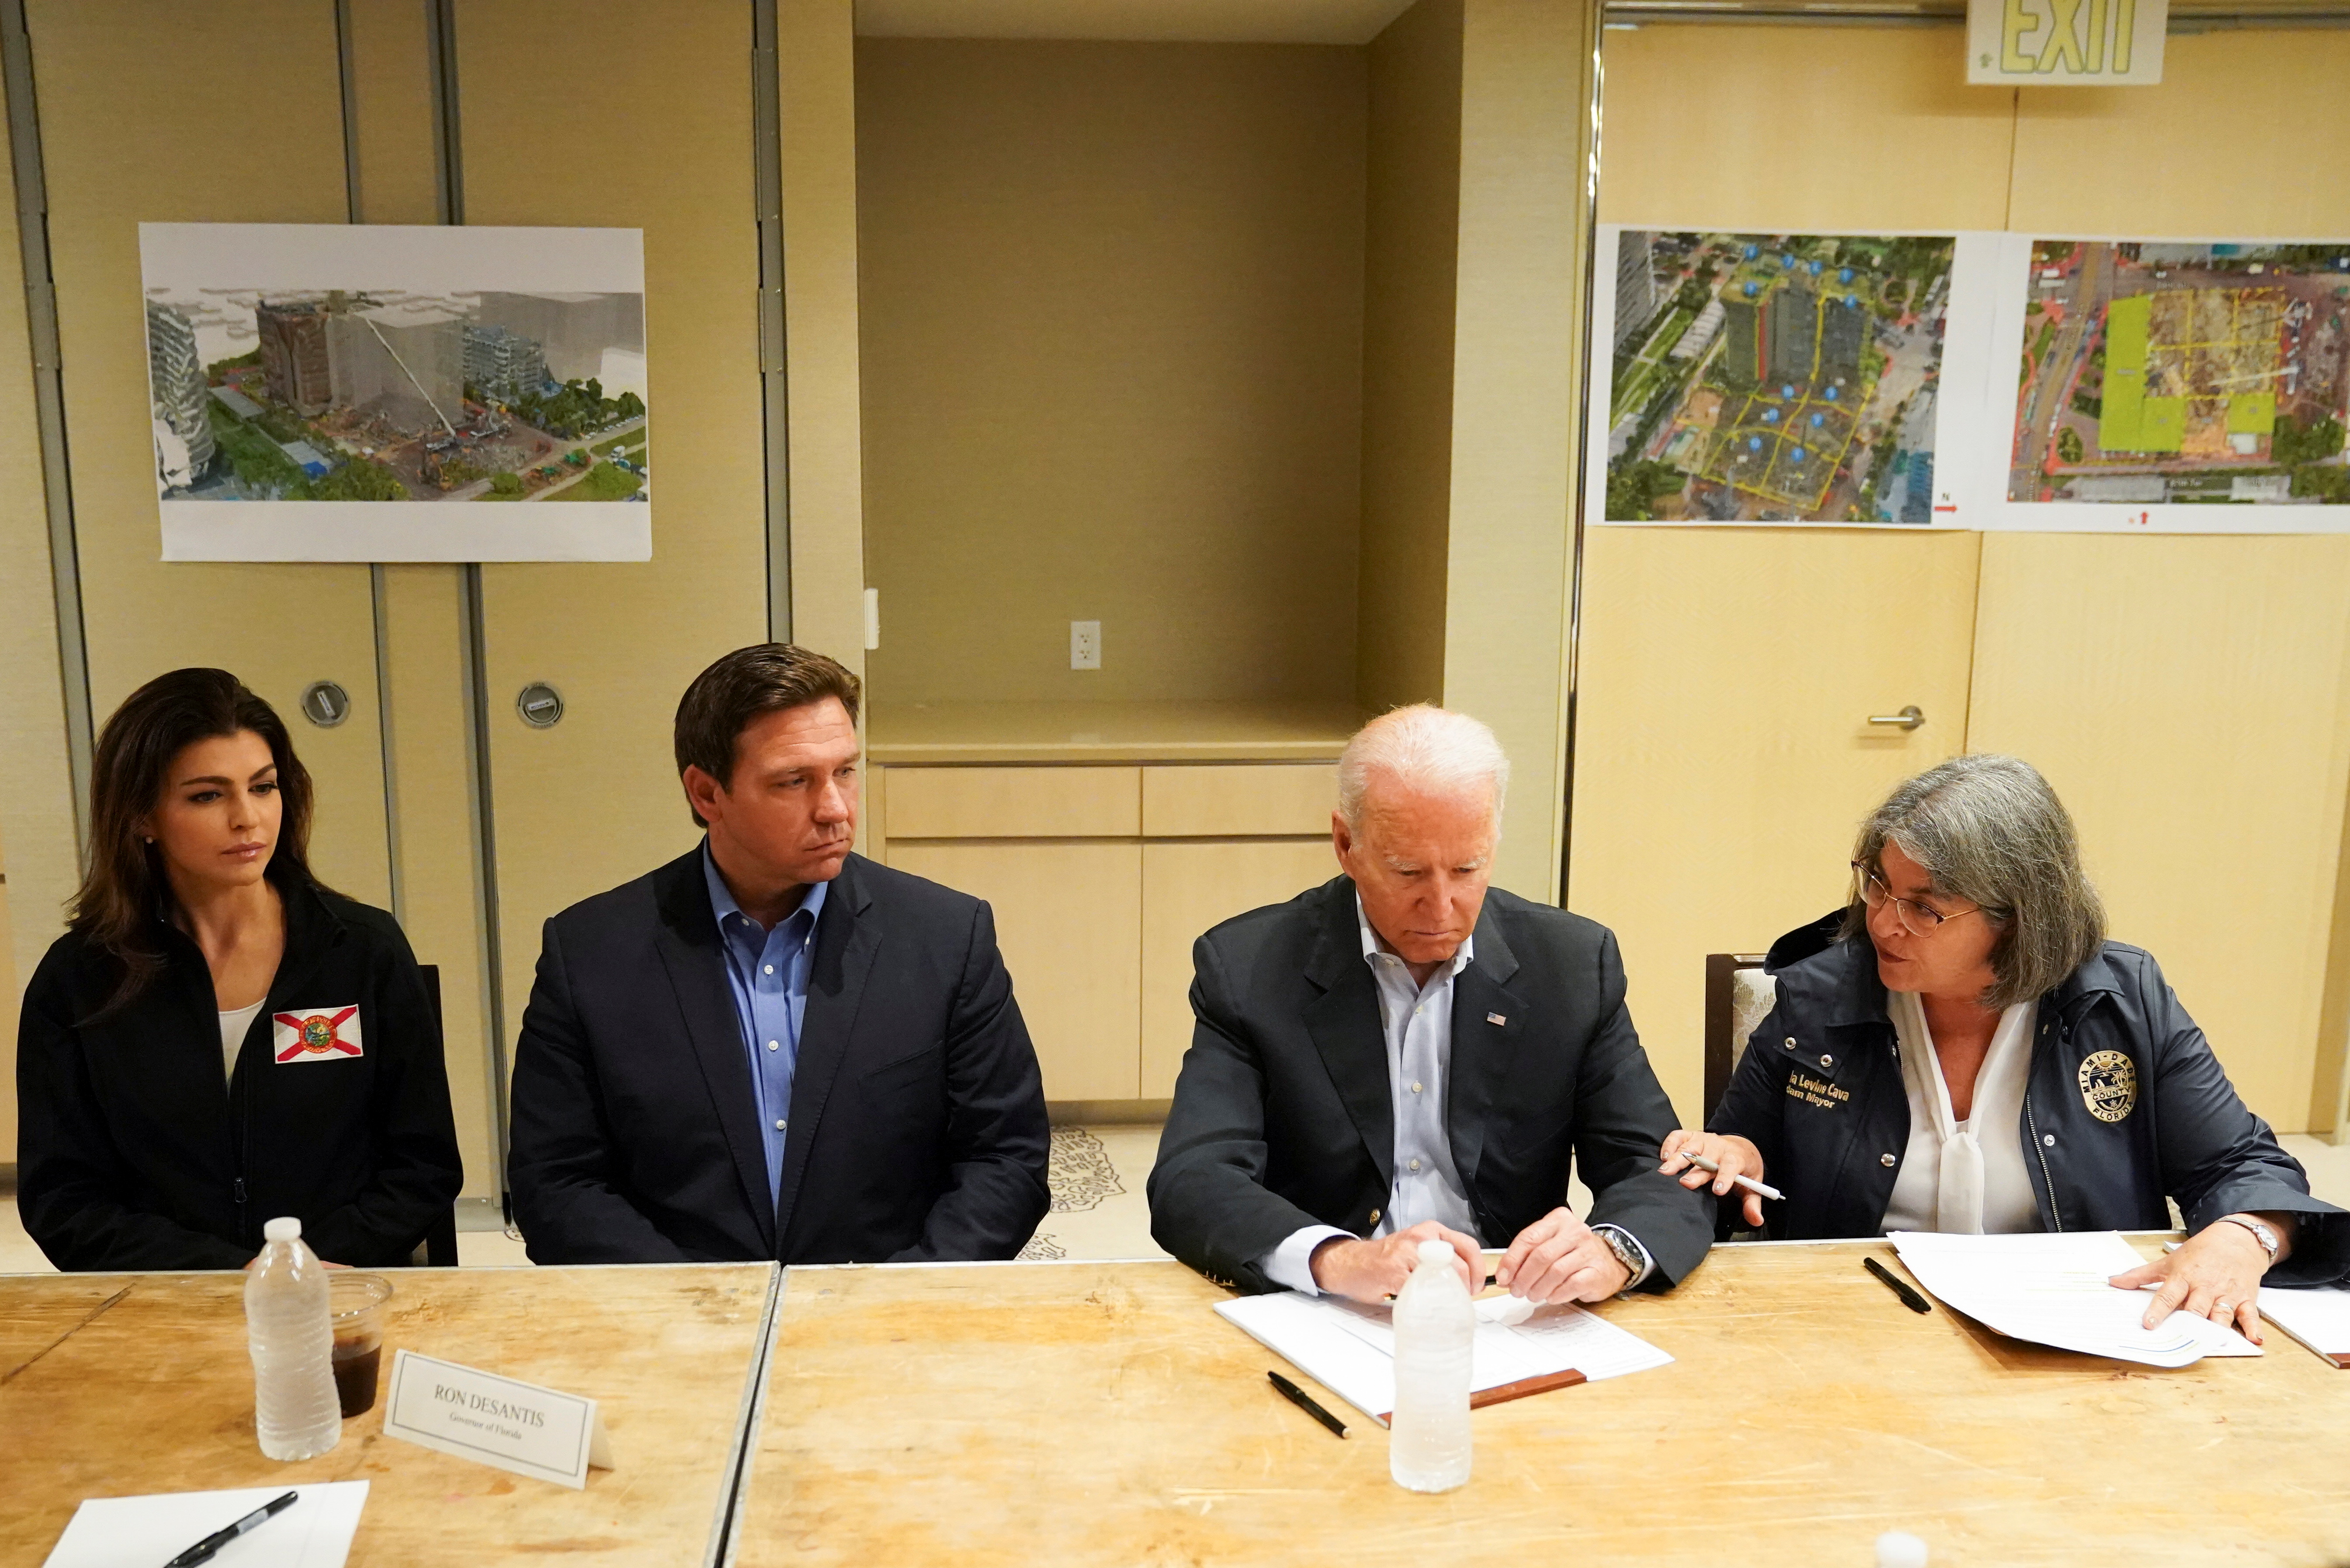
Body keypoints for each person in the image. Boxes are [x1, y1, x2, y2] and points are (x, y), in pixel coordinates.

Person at [1666, 753, 2348, 1341]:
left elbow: (2238, 1162)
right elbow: (1734, 1168)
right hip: (1854, 1326)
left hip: (2080, 1335)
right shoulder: (1819, 997)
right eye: (1878, 883)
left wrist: (2246, 1234)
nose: (1882, 921)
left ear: (2019, 920)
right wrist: (1733, 1155)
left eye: (1924, 907)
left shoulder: (2121, 998)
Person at [507, 643, 1050, 1264]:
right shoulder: (590, 953)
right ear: (707, 793)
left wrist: (901, 1299)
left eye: (845, 771)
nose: (836, 809)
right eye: (795, 781)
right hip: (677, 1328)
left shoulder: (947, 936)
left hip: (888, 1321)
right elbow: (556, 1184)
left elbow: (1006, 1157)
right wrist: (696, 1306)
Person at [1148, 705, 1712, 1304]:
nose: (1441, 907)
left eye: (1468, 868)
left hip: (1508, 1306)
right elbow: (1194, 1179)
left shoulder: (1572, 964)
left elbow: (1661, 1166)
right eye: (1408, 871)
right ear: (1346, 844)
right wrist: (1335, 1257)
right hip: (1329, 1306)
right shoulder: (1249, 967)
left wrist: (1613, 1250)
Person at [17, 668, 463, 1271]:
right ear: (141, 817)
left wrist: (305, 1268)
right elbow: (63, 1200)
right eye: (208, 795)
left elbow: (424, 1166)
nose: (247, 818)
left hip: (340, 1290)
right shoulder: (78, 979)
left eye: (263, 787)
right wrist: (226, 1275)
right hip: (167, 1305)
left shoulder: (362, 948)